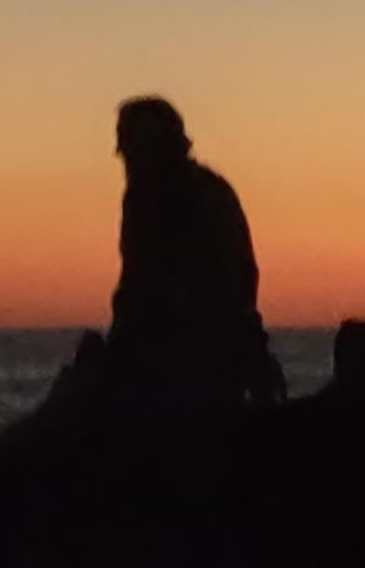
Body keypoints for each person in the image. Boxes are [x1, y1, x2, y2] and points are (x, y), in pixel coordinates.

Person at [109, 96, 279, 426]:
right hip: (158, 350)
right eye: (129, 148)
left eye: (142, 147)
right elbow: (134, 285)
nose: (132, 159)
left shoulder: (202, 196)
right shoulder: (141, 200)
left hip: (201, 356)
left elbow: (230, 287)